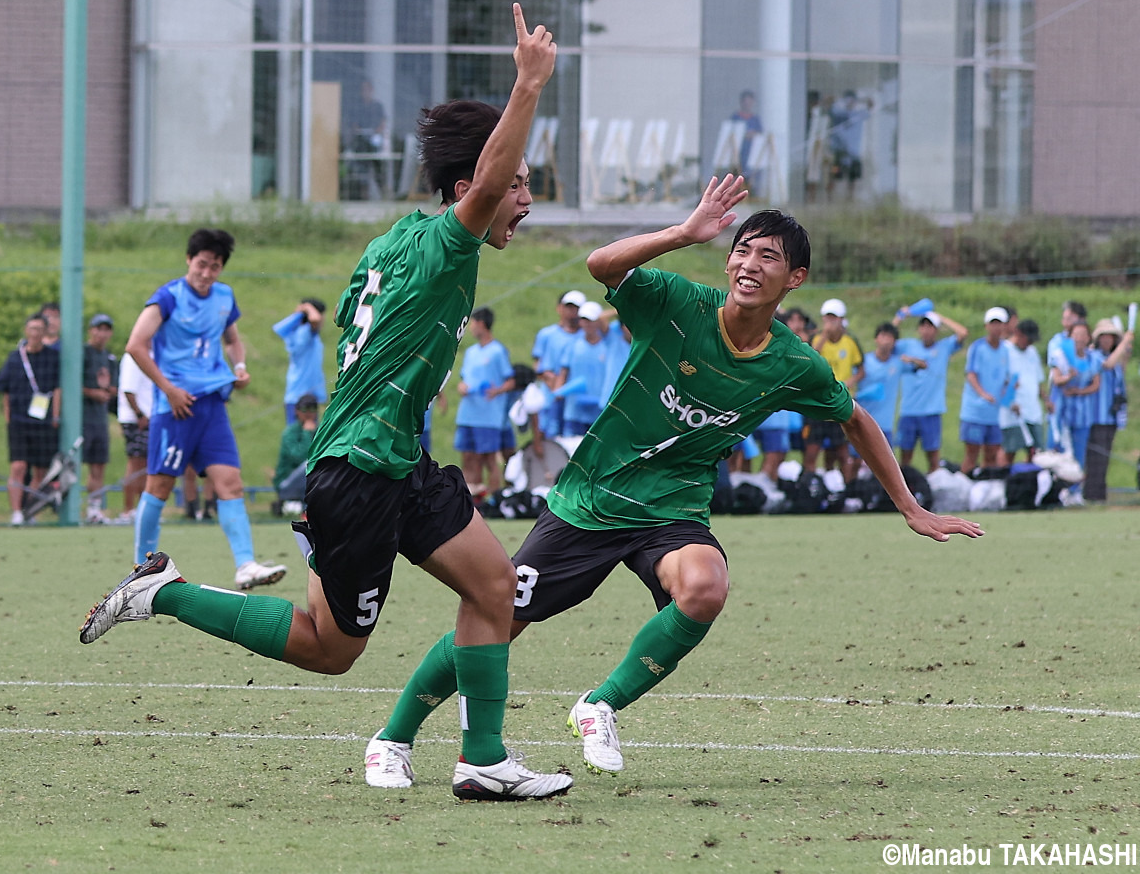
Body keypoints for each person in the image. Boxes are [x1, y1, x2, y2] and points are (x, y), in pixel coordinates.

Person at [80, 3, 571, 802]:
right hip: (358, 471)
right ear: (468, 187)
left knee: (494, 588)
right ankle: (163, 591)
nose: (524, 199)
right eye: (517, 185)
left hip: (394, 457)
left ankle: (483, 758)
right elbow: (484, 183)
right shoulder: (450, 240)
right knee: (328, 648)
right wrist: (528, 86)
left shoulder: (389, 245)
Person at [363, 177, 984, 787]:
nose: (749, 262)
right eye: (742, 248)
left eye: (769, 256)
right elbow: (601, 264)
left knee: (705, 587)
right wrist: (685, 232)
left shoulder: (795, 362)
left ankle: (598, 706)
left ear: (795, 279)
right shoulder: (678, 303)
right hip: (593, 500)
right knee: (500, 616)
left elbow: (856, 419)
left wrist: (910, 506)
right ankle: (393, 738)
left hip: (672, 510)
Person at [120, 227, 285, 589]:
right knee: (159, 487)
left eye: (215, 267)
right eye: (202, 265)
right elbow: (136, 345)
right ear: (189, 261)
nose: (207, 273)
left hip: (212, 406)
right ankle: (140, 571)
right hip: (175, 408)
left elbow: (233, 340)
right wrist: (169, 390)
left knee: (231, 483)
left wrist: (239, 368)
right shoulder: (167, 298)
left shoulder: (224, 297)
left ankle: (245, 565)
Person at [0, 313, 61, 526]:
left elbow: (57, 388)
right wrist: (8, 419)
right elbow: (4, 391)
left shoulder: (52, 357)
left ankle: (29, 509)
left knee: (41, 469)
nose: (35, 333)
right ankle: (15, 511)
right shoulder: (15, 358)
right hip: (19, 421)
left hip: (43, 422)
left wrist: (55, 415)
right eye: (32, 329)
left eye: (40, 329)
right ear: (26, 330)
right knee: (18, 466)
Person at [892, 308, 969, 472]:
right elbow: (889, 338)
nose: (927, 330)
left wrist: (939, 315)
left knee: (933, 458)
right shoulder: (907, 345)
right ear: (919, 329)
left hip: (931, 411)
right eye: (924, 326)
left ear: (936, 330)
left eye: (931, 326)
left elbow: (962, 332)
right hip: (909, 410)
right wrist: (901, 316)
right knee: (905, 458)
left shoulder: (944, 347)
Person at [454, 307, 515, 499]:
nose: (471, 327)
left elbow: (511, 380)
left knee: (489, 458)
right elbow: (465, 378)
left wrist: (497, 391)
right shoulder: (471, 352)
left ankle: (494, 500)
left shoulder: (497, 351)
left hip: (488, 415)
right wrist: (462, 387)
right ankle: (472, 500)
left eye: (472, 323)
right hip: (467, 414)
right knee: (468, 457)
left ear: (481, 324)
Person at [805, 298, 864, 480]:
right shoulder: (816, 339)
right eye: (827, 318)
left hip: (841, 401)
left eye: (834, 319)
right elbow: (811, 358)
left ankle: (846, 490)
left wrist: (851, 380)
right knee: (812, 448)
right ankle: (809, 486)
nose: (830, 323)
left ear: (841, 320)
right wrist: (824, 335)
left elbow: (861, 369)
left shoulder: (850, 342)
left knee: (841, 450)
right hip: (818, 402)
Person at [1051, 321, 1101, 504]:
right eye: (1076, 334)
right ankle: (1058, 491)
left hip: (1083, 413)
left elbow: (1096, 383)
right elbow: (1056, 380)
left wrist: (1079, 391)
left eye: (1083, 334)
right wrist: (1069, 378)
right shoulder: (1061, 356)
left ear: (1088, 338)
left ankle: (1075, 491)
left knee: (1079, 453)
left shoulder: (1092, 358)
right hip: (1062, 414)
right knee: (1062, 452)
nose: (1079, 338)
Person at [1083, 319, 1133, 502]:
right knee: (1095, 457)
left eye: (1110, 337)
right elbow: (1108, 364)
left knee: (1104, 458)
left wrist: (1126, 348)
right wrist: (1125, 342)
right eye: (1103, 337)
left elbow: (1120, 367)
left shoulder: (1114, 356)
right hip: (1097, 415)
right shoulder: (1094, 355)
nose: (1106, 341)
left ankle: (1100, 494)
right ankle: (1091, 494)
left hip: (1111, 416)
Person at [959, 308, 1011, 472]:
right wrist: (982, 394)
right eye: (993, 324)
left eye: (999, 324)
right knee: (972, 454)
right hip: (976, 411)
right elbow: (971, 374)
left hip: (994, 413)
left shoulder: (1005, 350)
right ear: (986, 326)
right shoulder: (978, 347)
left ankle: (985, 488)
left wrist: (1007, 391)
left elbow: (1004, 377)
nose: (996, 328)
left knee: (991, 454)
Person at [530, 290, 585, 437]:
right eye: (569, 307)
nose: (572, 312)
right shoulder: (547, 334)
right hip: (550, 397)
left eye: (576, 308)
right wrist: (549, 379)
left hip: (576, 401)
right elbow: (538, 365)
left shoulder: (587, 335)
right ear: (560, 308)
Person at [82, 313, 119, 524]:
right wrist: (92, 392)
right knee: (77, 464)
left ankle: (93, 509)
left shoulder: (110, 358)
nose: (102, 334)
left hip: (100, 418)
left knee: (99, 465)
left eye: (106, 329)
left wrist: (107, 391)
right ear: (91, 330)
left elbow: (113, 387)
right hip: (83, 418)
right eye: (98, 329)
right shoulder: (83, 354)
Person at [271, 299, 329, 426]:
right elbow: (315, 320)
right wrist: (308, 308)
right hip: (301, 395)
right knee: (302, 438)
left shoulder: (297, 332)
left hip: (303, 393)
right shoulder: (305, 333)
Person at [556, 301, 609, 436]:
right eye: (584, 320)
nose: (587, 324)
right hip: (574, 410)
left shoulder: (608, 346)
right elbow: (564, 371)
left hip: (600, 411)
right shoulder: (573, 345)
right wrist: (558, 391)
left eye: (591, 320)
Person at [999, 319, 1046, 464]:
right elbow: (1000, 382)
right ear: (1018, 334)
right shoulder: (1005, 350)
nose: (1030, 343)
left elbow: (1037, 380)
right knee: (1010, 450)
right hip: (1012, 411)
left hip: (1032, 410)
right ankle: (1003, 479)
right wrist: (1010, 402)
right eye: (1028, 339)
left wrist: (1046, 400)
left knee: (1036, 452)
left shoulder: (1032, 352)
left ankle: (1029, 481)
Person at [115, 350, 153, 525]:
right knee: (136, 463)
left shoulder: (152, 354)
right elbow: (128, 389)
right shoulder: (133, 356)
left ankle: (141, 509)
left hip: (147, 417)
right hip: (136, 419)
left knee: (145, 464)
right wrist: (139, 414)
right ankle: (128, 510)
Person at [854, 322, 904, 447]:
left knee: (884, 464)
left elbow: (923, 366)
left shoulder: (898, 363)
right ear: (876, 339)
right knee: (854, 461)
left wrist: (912, 360)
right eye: (883, 336)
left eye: (890, 337)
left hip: (885, 425)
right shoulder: (863, 362)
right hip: (862, 422)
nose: (886, 341)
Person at [1046, 300, 1087, 450]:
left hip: (1082, 407)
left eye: (1070, 317)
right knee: (1056, 449)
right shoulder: (1057, 342)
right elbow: (1057, 370)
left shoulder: (1088, 342)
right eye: (1065, 317)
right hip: (1060, 400)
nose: (1065, 321)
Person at [273, 392, 319, 516]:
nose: (309, 413)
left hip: (311, 482)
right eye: (305, 409)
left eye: (313, 408)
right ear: (297, 411)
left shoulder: (321, 430)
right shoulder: (289, 433)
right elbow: (300, 457)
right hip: (286, 484)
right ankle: (306, 510)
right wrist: (306, 433)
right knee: (308, 464)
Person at [828, 91, 871, 199]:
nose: (850, 103)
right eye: (848, 100)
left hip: (854, 153)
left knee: (852, 179)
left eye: (852, 101)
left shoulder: (859, 114)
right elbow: (830, 106)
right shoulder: (838, 113)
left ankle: (850, 199)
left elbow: (870, 107)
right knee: (834, 175)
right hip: (840, 153)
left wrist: (865, 100)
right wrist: (834, 99)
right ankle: (830, 199)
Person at [728, 89, 763, 187]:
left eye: (750, 102)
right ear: (742, 102)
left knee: (750, 178)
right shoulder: (735, 118)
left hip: (752, 154)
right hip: (738, 153)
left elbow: (760, 135)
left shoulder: (755, 119)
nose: (748, 104)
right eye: (746, 102)